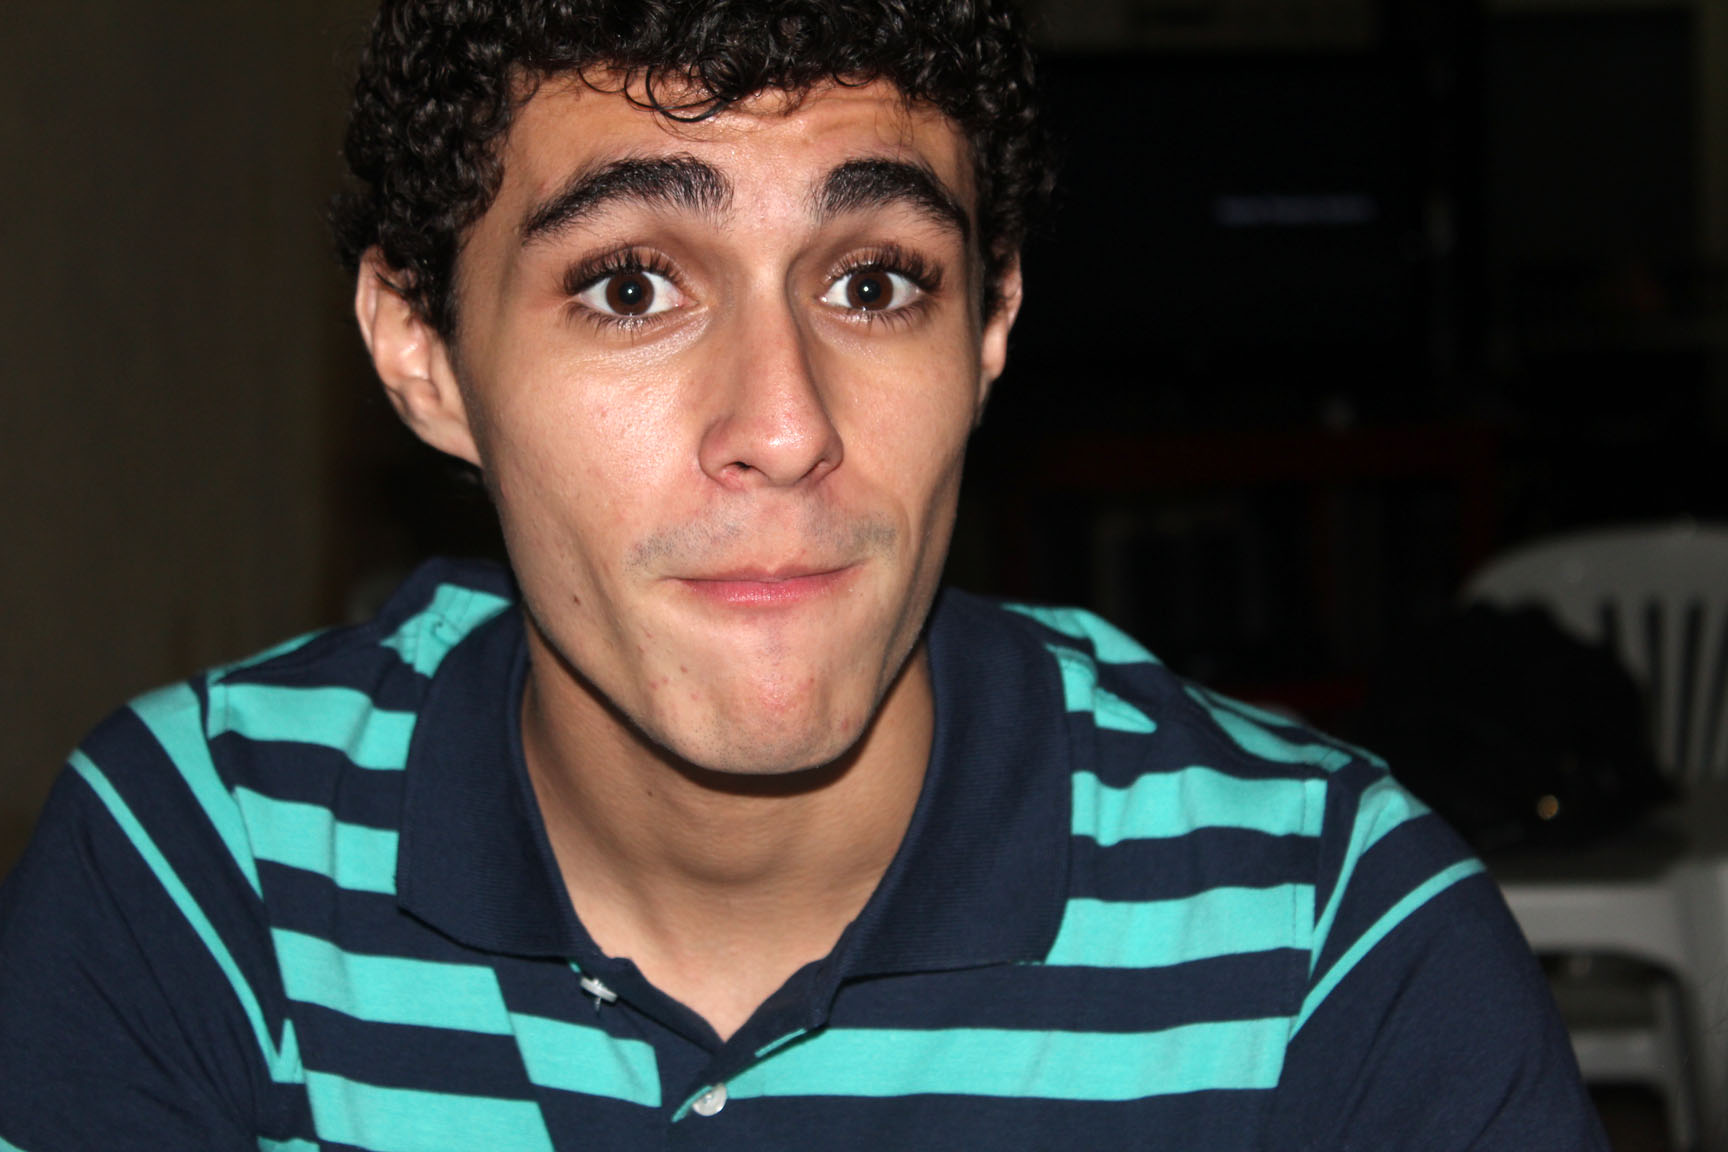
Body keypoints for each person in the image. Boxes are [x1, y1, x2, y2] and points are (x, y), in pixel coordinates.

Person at [0, 0, 1607, 1147]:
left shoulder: (1328, 945)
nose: (783, 427)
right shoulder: (205, 875)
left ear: (990, 326)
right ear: (424, 353)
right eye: (632, 287)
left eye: (874, 282)